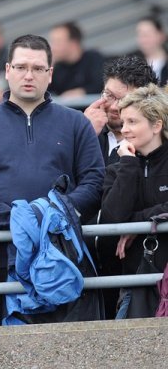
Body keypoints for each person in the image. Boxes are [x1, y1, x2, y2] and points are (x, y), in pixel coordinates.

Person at [0, 34, 105, 326]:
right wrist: (19, 219)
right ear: (7, 71)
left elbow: (95, 181)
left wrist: (53, 216)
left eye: (37, 68)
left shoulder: (75, 123)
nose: (28, 75)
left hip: (64, 255)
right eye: (21, 67)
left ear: (50, 74)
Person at [82, 55, 157, 319]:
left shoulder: (154, 144)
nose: (113, 106)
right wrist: (84, 135)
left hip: (134, 266)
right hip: (85, 266)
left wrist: (138, 222)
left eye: (124, 100)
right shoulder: (82, 131)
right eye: (108, 95)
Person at [100, 83, 168, 318]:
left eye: (133, 122)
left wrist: (138, 226)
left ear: (156, 125)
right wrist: (128, 164)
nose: (125, 129)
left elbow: (129, 220)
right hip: (135, 282)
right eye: (124, 121)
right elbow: (113, 219)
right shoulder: (117, 166)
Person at [48, 21, 104, 99]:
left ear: (73, 43)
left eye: (57, 42)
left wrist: (83, 92)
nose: (52, 47)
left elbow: (102, 85)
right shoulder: (57, 67)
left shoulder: (93, 59)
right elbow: (43, 91)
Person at [135, 16, 167, 86]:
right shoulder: (134, 68)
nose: (143, 39)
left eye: (147, 34)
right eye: (140, 34)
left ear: (161, 35)